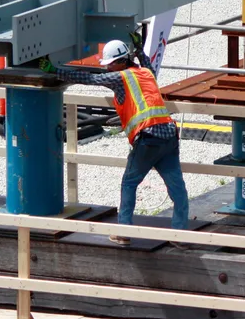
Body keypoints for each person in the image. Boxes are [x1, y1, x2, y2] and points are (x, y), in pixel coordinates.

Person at [40, 35, 189, 245]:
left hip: (148, 137)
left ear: (120, 62)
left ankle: (123, 231)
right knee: (177, 187)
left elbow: (89, 79)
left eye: (110, 65)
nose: (107, 69)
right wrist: (139, 49)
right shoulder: (146, 73)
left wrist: (55, 71)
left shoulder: (120, 78)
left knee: (129, 183)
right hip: (169, 136)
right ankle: (181, 234)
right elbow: (146, 63)